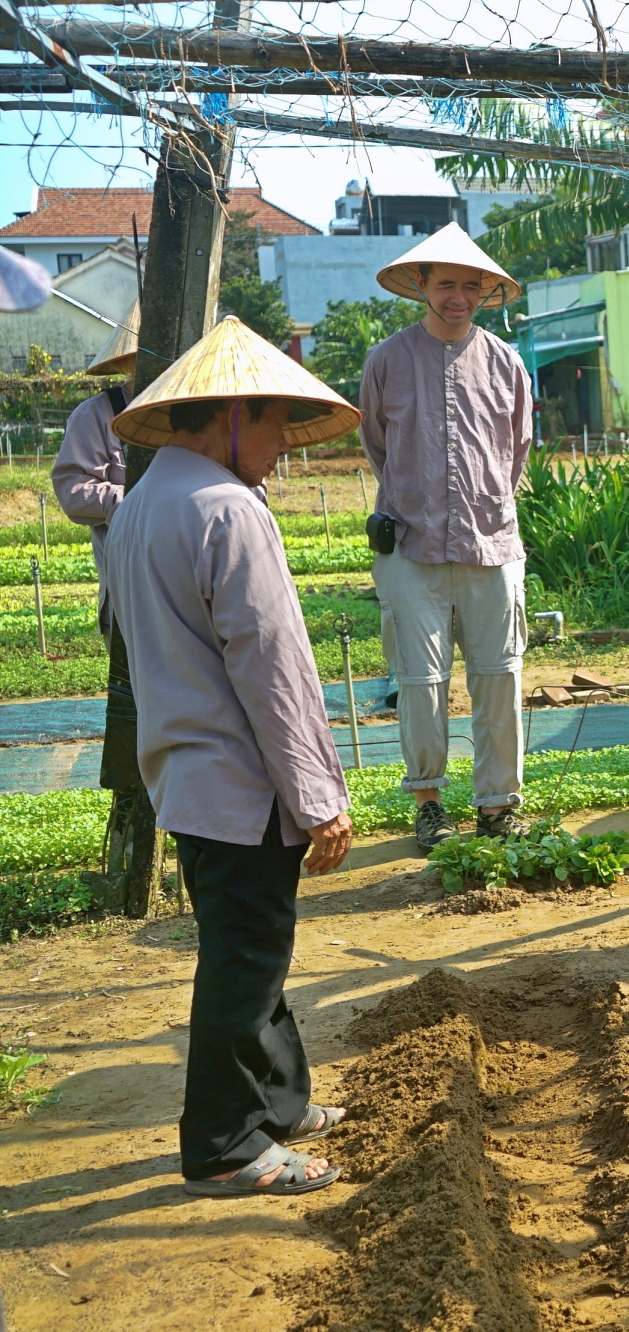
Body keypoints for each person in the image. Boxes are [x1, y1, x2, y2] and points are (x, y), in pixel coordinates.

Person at [103, 316, 357, 1196]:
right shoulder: (226, 509)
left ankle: (279, 1103)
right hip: (241, 781)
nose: (285, 445)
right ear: (231, 414)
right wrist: (319, 794)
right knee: (245, 967)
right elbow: (271, 665)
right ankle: (225, 1145)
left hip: (185, 772)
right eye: (277, 422)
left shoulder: (143, 504)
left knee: (253, 950)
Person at [361, 224, 535, 850]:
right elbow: (379, 448)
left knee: (500, 675)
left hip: (492, 542)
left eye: (470, 285)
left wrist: (481, 505)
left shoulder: (507, 363)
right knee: (420, 681)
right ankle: (429, 803)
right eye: (446, 284)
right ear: (421, 287)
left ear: (486, 292)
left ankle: (497, 805)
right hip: (410, 545)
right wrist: (420, 501)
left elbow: (515, 452)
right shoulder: (386, 360)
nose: (458, 296)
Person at [53, 303, 138, 632]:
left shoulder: (195, 411)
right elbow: (74, 493)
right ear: (128, 359)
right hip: (128, 592)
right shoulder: (98, 414)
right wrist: (135, 500)